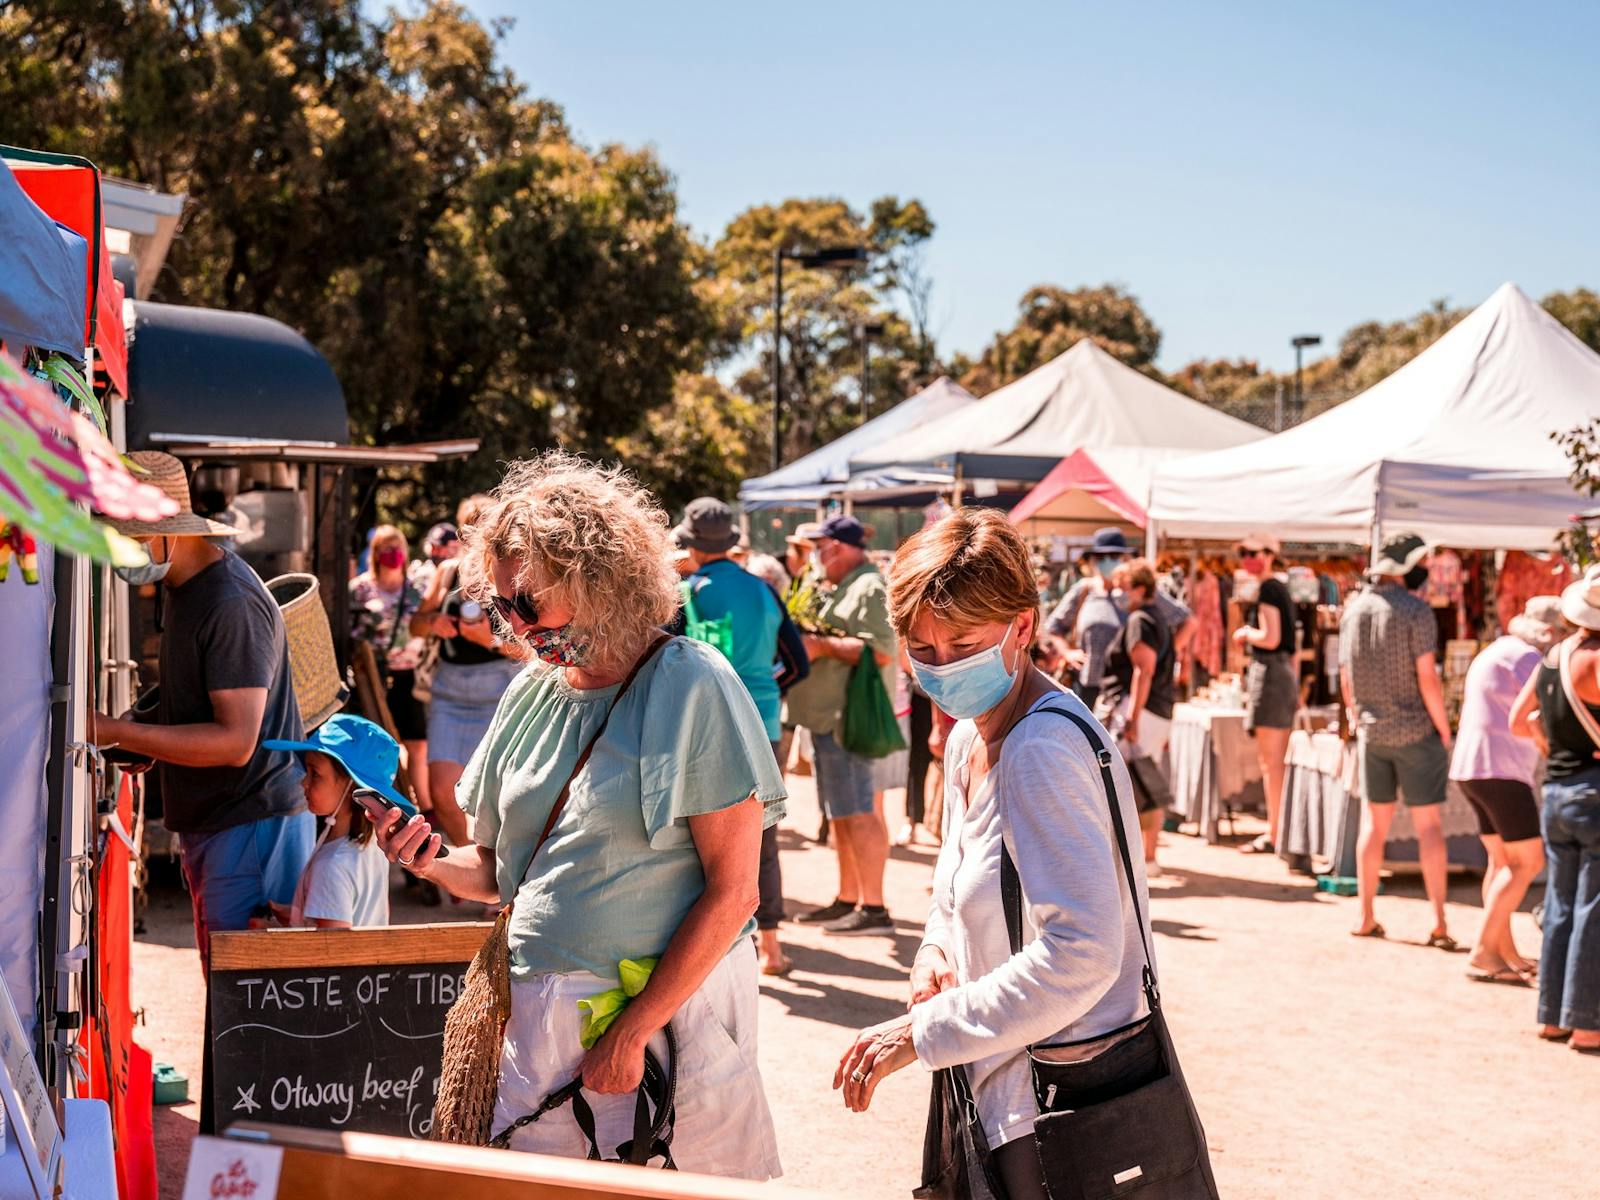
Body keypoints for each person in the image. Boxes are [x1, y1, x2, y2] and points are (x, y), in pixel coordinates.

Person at [375, 452, 784, 1176]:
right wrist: (425, 856)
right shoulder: (531, 693)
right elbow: (499, 874)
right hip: (537, 1033)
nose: (511, 626)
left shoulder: (690, 683)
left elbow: (735, 893)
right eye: (499, 607)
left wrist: (633, 1031)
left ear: (600, 582)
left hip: (655, 1036)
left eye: (527, 603)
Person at [833, 509, 1156, 1199]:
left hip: (1055, 1114)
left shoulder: (1040, 749)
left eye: (963, 644)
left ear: (1023, 628)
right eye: (924, 650)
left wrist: (921, 1033)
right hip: (1002, 1098)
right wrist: (936, 953)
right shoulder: (967, 741)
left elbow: (1084, 952)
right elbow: (953, 895)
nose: (942, 667)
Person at [92, 452, 313, 971]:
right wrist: (143, 733)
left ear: (170, 531)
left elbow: (235, 742)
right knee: (231, 1003)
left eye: (128, 535)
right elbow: (197, 696)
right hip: (222, 825)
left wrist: (114, 729)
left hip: (250, 823)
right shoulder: (183, 588)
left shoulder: (228, 601)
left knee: (250, 1006)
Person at [670, 497, 810, 977]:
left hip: (704, 728)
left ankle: (714, 947)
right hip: (764, 724)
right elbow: (797, 663)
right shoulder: (764, 589)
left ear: (689, 542)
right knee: (763, 836)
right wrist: (764, 693)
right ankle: (772, 946)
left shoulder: (686, 592)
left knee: (699, 842)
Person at [783, 514, 899, 936]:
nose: (818, 554)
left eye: (823, 545)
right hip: (830, 719)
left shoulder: (870, 586)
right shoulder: (840, 585)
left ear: (841, 546)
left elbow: (883, 649)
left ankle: (874, 908)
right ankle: (849, 898)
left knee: (861, 811)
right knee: (843, 813)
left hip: (851, 719)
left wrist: (820, 646)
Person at [1341, 532, 1455, 946]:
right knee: (1429, 827)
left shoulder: (1354, 610)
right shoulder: (1416, 612)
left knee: (1374, 824)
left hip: (1373, 731)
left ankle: (1366, 914)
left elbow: (1346, 677)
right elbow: (1428, 678)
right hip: (1415, 730)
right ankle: (1439, 921)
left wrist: (1357, 719)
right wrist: (1443, 729)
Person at [1511, 567, 1600, 1052]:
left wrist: (1553, 750)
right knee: (1593, 907)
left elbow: (1520, 721)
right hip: (1594, 792)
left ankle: (1551, 1016)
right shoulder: (1597, 660)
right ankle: (1585, 1022)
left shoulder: (1552, 656)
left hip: (1558, 790)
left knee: (1561, 904)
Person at [1452, 597, 1560, 983]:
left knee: (1502, 863)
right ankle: (1483, 953)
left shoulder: (1497, 649)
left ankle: (1501, 951)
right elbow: (1540, 715)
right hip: (1501, 769)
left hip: (1473, 767)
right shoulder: (1529, 658)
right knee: (1527, 862)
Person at [409, 495, 523, 851]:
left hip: (499, 691)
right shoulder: (447, 573)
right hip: (450, 692)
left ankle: (497, 878)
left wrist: (489, 640)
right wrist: (434, 622)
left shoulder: (510, 574)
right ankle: (469, 863)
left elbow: (529, 648)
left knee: (501, 796)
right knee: (442, 791)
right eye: (469, 530)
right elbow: (415, 626)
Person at [265, 715, 398, 929]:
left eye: (315, 774)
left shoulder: (331, 867)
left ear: (351, 789)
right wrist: (294, 915)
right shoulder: (370, 845)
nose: (303, 782)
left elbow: (334, 952)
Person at [1100, 559, 1175, 876]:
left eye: (1124, 586)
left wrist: (1131, 718)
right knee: (1147, 779)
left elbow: (1143, 670)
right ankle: (1147, 856)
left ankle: (1141, 856)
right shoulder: (1157, 618)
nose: (1119, 592)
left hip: (1141, 710)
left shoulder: (1141, 620)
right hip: (1156, 709)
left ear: (1140, 589)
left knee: (1131, 782)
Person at [349, 525, 430, 810]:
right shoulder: (360, 589)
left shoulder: (416, 590)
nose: (392, 553)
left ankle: (426, 808)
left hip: (409, 673)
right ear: (375, 553)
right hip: (373, 675)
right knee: (382, 742)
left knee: (417, 744)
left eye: (397, 547)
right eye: (386, 548)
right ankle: (389, 801)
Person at [1234, 533, 1298, 856]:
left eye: (1253, 552)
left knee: (1272, 762)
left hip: (1272, 674)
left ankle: (1275, 833)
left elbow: (1271, 638)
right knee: (1274, 761)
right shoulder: (1279, 587)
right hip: (1280, 674)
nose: (1247, 558)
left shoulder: (1270, 588)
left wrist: (1245, 633)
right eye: (1243, 553)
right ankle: (1277, 830)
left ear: (1270, 554)